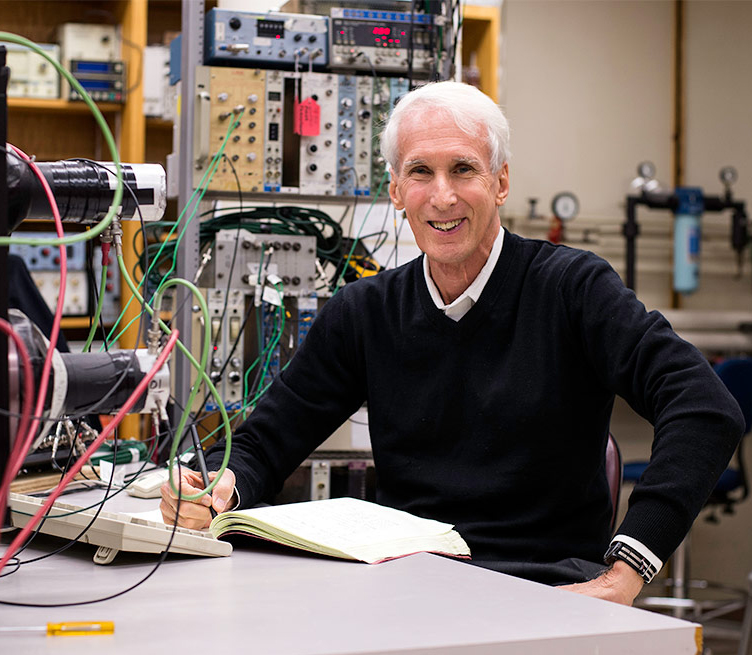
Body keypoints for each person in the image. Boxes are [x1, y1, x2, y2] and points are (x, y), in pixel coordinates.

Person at [160, 81, 744, 605]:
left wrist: (628, 568)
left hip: (544, 590)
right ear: (395, 190)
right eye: (420, 172)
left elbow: (705, 409)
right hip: (405, 590)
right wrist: (215, 485)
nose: (442, 196)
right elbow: (263, 443)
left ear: (502, 181)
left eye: (463, 169)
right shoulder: (365, 312)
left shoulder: (572, 289)